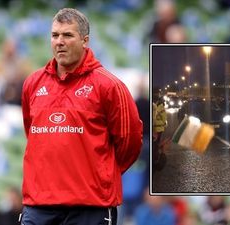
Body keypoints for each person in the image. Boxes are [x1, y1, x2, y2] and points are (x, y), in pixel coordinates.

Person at [20, 8, 143, 225]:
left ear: (85, 40)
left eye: (67, 35)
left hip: (90, 206)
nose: (59, 41)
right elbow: (33, 134)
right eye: (55, 35)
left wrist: (98, 173)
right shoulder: (33, 83)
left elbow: (130, 142)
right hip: (38, 205)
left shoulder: (110, 86)